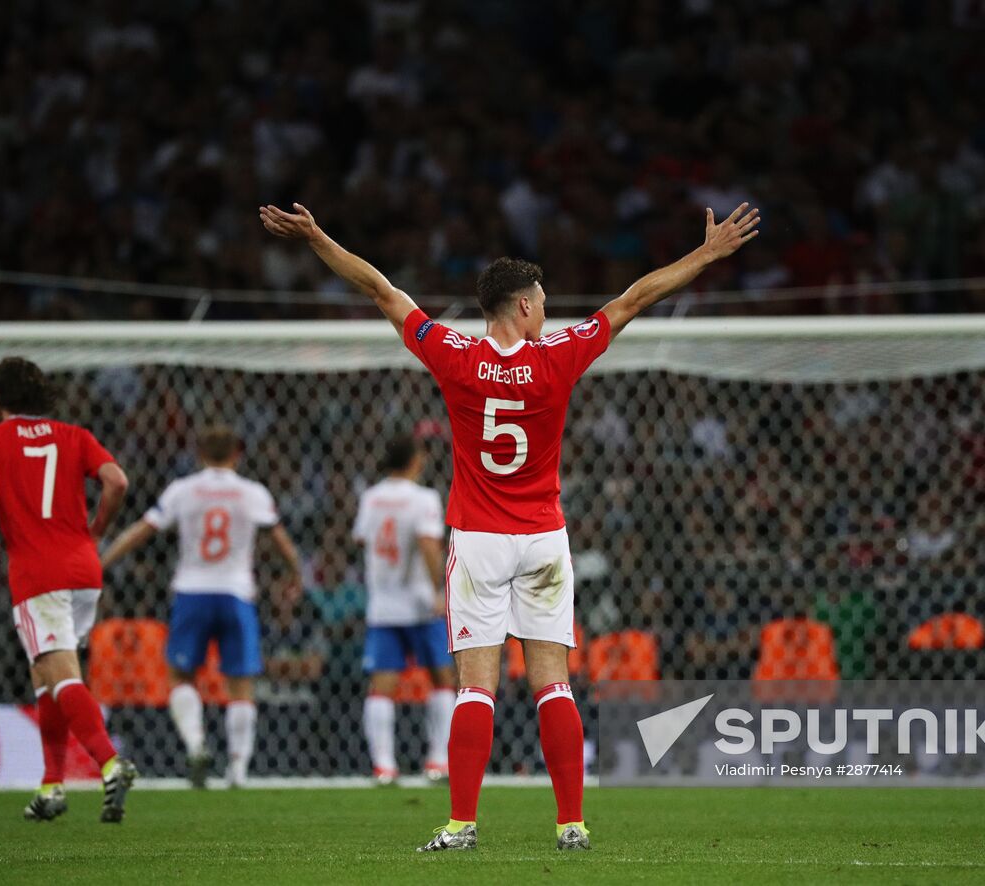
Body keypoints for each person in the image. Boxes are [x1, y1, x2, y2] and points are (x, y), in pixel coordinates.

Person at [260, 198, 760, 851]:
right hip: (545, 537)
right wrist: (707, 254)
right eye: (544, 300)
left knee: (477, 687)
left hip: (478, 538)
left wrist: (318, 236)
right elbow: (635, 298)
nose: (549, 310)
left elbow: (379, 289)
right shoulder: (558, 356)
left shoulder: (454, 355)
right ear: (522, 305)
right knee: (553, 680)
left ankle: (462, 824)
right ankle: (572, 824)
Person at [0, 356, 137, 822]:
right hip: (84, 571)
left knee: (62, 675)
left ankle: (110, 763)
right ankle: (52, 785)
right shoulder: (75, 436)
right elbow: (117, 481)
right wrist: (95, 530)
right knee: (47, 678)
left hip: (39, 576)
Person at [101, 425, 301, 788]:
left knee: (181, 676)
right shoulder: (252, 493)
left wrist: (104, 561)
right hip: (236, 592)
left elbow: (141, 530)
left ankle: (196, 745)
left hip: (192, 591)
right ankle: (238, 770)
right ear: (237, 454)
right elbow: (281, 540)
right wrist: (295, 573)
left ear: (200, 454)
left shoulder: (183, 490)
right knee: (241, 684)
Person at [352, 434, 455, 785]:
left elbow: (364, 539)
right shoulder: (423, 498)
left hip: (383, 603)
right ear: (415, 460)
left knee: (382, 684)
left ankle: (384, 766)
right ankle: (438, 762)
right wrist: (440, 589)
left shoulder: (371, 498)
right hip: (421, 603)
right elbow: (427, 544)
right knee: (442, 677)